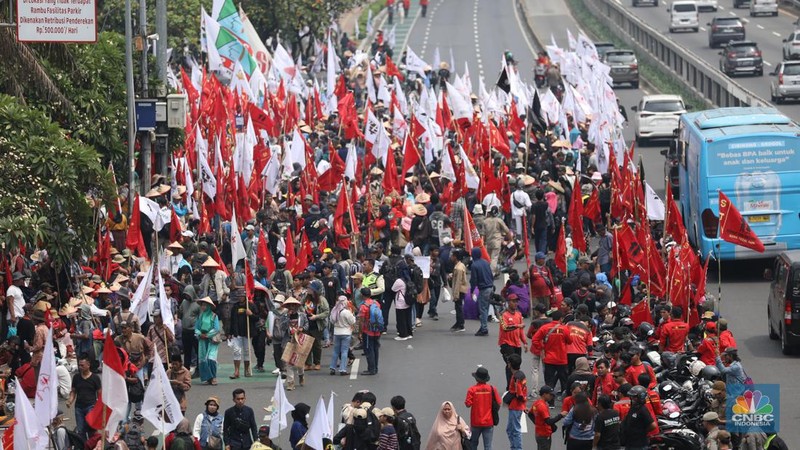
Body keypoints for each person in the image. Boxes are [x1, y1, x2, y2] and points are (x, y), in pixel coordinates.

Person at [533, 310, 572, 403]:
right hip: (562, 359)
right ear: (561, 319)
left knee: (549, 381)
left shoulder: (545, 328)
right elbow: (570, 341)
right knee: (564, 381)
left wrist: (542, 347)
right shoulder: (565, 329)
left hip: (549, 359)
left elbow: (535, 339)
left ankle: (550, 402)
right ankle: (565, 401)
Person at [464, 367, 501, 450]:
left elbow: (468, 404)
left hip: (475, 422)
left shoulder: (472, 390)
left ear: (476, 378)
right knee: (488, 446)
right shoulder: (492, 389)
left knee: (473, 444)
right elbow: (498, 403)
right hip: (489, 422)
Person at [66, 354, 100, 438]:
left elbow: (100, 394)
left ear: (88, 365)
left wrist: (99, 408)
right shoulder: (76, 377)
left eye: (82, 365)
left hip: (91, 406)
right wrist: (70, 401)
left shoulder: (95, 378)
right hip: (79, 407)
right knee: (80, 430)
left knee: (91, 428)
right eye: (79, 365)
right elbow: (73, 392)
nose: (80, 367)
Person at [279, 297, 308, 390]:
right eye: (289, 306)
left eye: (293, 305)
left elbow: (307, 324)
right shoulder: (284, 316)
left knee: (299, 362)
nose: (292, 307)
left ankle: (301, 375)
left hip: (299, 340)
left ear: (296, 306)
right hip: (289, 340)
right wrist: (287, 318)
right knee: (289, 362)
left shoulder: (302, 315)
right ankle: (290, 382)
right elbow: (282, 327)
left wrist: (302, 329)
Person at [499, 294, 527, 387]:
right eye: (513, 301)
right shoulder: (503, 315)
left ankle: (516, 384)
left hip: (517, 344)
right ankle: (509, 386)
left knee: (517, 366)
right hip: (506, 344)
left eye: (516, 301)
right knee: (510, 365)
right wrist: (517, 326)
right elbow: (505, 328)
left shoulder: (518, 314)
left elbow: (521, 331)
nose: (515, 303)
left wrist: (525, 342)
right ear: (508, 302)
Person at [195, 297, 221, 385]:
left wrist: (207, 335)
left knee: (211, 358)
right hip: (202, 340)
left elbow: (216, 328)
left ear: (209, 306)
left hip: (212, 340)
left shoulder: (214, 316)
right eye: (202, 305)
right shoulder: (201, 316)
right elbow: (197, 328)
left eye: (205, 305)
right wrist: (199, 334)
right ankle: (206, 378)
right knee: (203, 359)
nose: (203, 307)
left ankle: (213, 377)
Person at [620, 386, 655, 450]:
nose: (632, 398)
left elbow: (653, 425)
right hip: (630, 443)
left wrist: (641, 432)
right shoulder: (633, 407)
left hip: (639, 444)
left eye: (634, 397)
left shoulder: (642, 409)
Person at [529, 385, 562, 450]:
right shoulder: (542, 406)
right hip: (544, 435)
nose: (551, 397)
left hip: (538, 433)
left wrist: (537, 423)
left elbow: (530, 414)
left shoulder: (537, 403)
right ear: (544, 394)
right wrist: (560, 416)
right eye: (550, 395)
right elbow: (548, 421)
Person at [470, 248, 494, 336]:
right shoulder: (486, 262)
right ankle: (483, 325)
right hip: (490, 287)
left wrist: (472, 291)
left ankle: (484, 328)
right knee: (486, 308)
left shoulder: (474, 265)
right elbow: (491, 275)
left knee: (482, 309)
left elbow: (474, 280)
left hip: (484, 289)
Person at [330, 295, 356, 375]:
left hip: (337, 333)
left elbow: (331, 321)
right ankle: (342, 369)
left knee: (335, 351)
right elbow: (352, 321)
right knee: (344, 351)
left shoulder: (334, 310)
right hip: (346, 333)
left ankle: (332, 367)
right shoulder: (346, 312)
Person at [505, 354, 527, 450]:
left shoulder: (515, 378)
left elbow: (519, 393)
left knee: (515, 430)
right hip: (517, 406)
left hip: (515, 406)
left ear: (510, 364)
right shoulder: (521, 374)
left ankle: (517, 448)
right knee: (510, 430)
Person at [358, 289, 382, 375]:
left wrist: (360, 333)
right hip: (377, 330)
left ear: (362, 295)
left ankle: (371, 369)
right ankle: (375, 368)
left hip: (368, 331)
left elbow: (361, 321)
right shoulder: (376, 303)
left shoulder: (363, 306)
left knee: (369, 350)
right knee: (376, 349)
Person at [450, 250, 469, 332]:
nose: (451, 257)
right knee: (458, 307)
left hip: (460, 290)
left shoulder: (458, 268)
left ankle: (461, 324)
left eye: (452, 256)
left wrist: (455, 295)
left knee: (459, 307)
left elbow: (458, 282)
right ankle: (458, 322)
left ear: (455, 257)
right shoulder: (460, 265)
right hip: (461, 289)